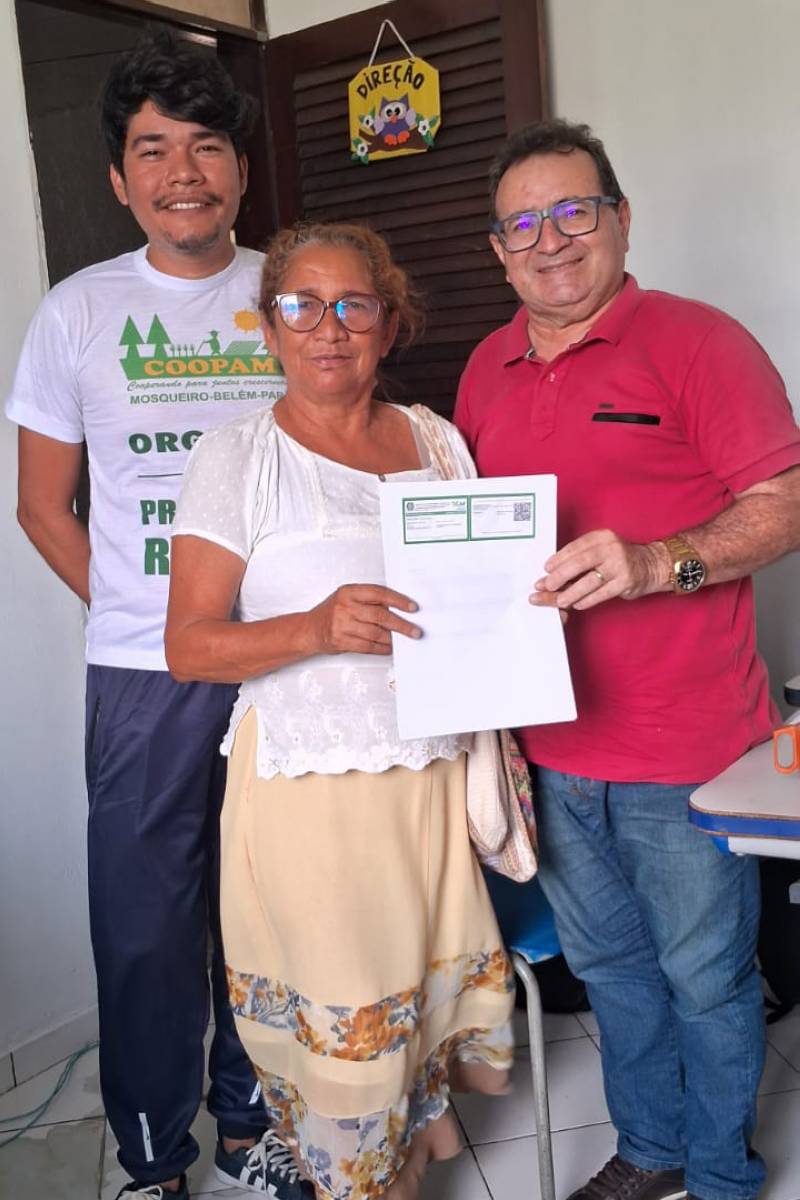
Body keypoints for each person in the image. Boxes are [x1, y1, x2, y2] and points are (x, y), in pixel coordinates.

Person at [455, 119, 800, 1200]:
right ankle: (651, 1149)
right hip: (550, 746)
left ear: (620, 219)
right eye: (523, 224)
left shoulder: (701, 343)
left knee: (705, 977)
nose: (551, 239)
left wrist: (656, 564)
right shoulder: (484, 368)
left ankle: (720, 1174)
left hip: (685, 748)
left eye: (574, 210)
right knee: (609, 970)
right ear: (499, 250)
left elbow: (783, 507)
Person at [4, 30, 305, 1200]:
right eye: (153, 149)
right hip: (146, 672)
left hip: (285, 662)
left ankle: (249, 1122)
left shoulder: (291, 293)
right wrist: (146, 612)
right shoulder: (77, 313)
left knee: (265, 903)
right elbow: (43, 507)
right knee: (144, 923)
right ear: (120, 178)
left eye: (207, 146)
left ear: (240, 169)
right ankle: (150, 1153)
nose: (184, 171)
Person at [164, 221, 516, 1200]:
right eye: (302, 305)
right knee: (348, 1058)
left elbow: (485, 594)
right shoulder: (236, 457)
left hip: (430, 787)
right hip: (310, 804)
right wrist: (314, 627)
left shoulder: (435, 440)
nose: (329, 327)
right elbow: (188, 646)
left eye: (354, 304)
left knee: (411, 1031)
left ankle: (400, 1170)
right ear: (270, 326)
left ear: (387, 323)